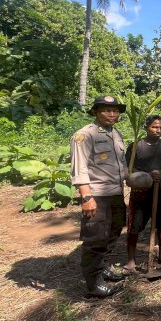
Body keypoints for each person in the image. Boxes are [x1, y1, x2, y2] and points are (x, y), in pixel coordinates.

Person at [70, 95, 128, 298]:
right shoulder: (85, 135)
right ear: (95, 111)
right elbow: (80, 168)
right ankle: (93, 284)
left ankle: (102, 268)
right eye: (106, 110)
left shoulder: (116, 134)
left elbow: (121, 165)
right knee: (95, 239)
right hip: (97, 195)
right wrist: (86, 198)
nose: (112, 114)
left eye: (115, 110)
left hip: (116, 194)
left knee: (113, 232)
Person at [124, 115, 161, 274]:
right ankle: (131, 260)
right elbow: (128, 170)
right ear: (146, 127)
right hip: (141, 192)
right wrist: (147, 175)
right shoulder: (135, 146)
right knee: (135, 225)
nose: (158, 130)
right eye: (154, 127)